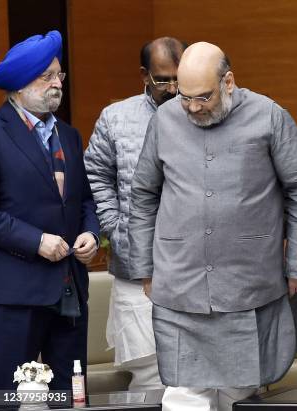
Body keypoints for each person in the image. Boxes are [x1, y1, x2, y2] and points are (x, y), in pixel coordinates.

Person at [128, 42, 297, 411]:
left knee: (239, 395)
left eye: (203, 97)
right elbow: (142, 195)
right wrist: (143, 268)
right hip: (178, 282)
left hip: (249, 282)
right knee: (183, 396)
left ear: (228, 82)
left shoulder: (269, 116)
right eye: (183, 97)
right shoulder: (165, 119)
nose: (192, 108)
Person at [0, 30, 99, 390]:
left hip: (70, 291)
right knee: (10, 397)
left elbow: (84, 200)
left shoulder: (69, 135)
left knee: (70, 396)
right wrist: (36, 240)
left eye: (60, 76)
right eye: (47, 77)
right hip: (16, 296)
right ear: (20, 85)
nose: (58, 84)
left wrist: (90, 233)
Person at [84, 36, 186, 391]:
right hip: (136, 266)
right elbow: (95, 174)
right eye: (163, 80)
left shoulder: (204, 111)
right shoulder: (116, 118)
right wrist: (114, 225)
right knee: (148, 373)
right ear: (144, 75)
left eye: (180, 77)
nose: (173, 88)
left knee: (195, 373)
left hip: (193, 265)